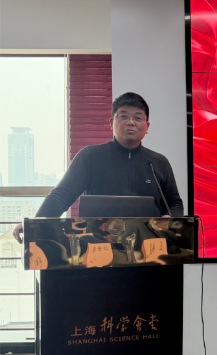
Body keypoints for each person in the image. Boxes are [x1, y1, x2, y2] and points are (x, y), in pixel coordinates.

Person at [13, 92, 183, 243]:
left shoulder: (158, 163)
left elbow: (174, 203)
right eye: (123, 116)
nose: (131, 122)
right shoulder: (90, 156)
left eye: (138, 118)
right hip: (97, 246)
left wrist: (171, 219)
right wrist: (35, 223)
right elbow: (62, 195)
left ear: (147, 126)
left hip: (148, 247)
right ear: (111, 122)